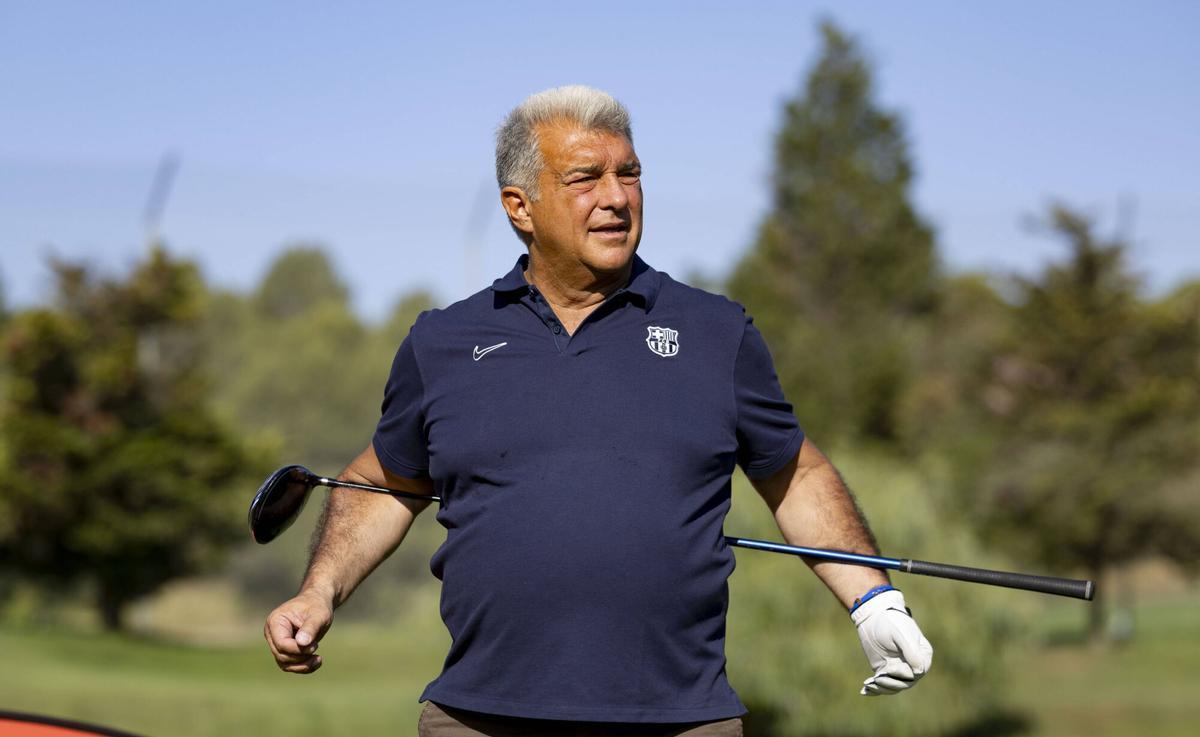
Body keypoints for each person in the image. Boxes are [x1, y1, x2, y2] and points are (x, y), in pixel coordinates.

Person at [264, 85, 933, 736]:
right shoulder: (441, 342)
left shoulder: (715, 332)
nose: (616, 197)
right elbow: (384, 482)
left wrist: (873, 600)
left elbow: (797, 475)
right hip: (480, 717)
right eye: (586, 177)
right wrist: (319, 591)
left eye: (630, 173)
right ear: (519, 207)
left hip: (682, 719)